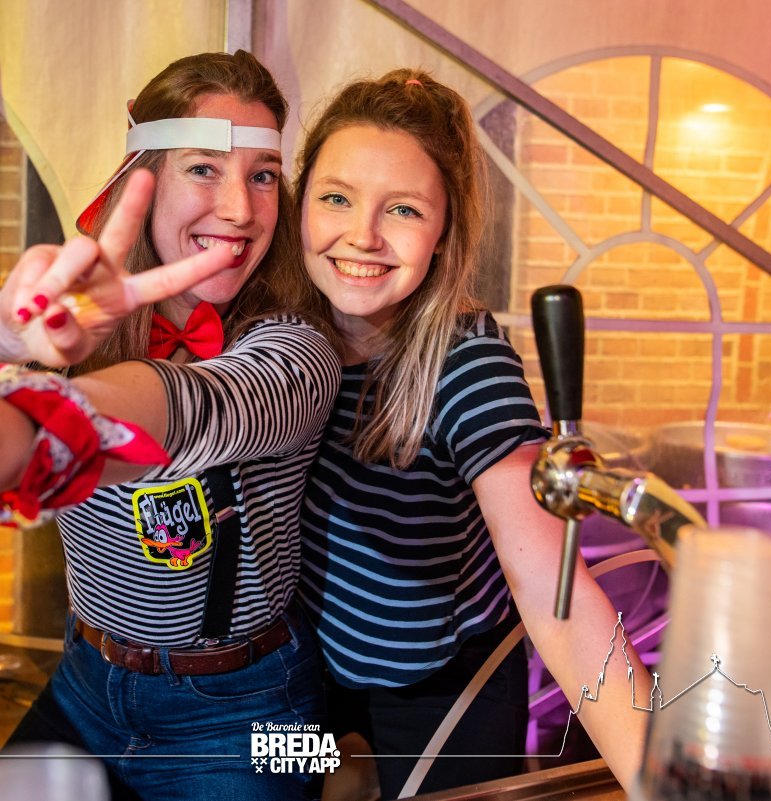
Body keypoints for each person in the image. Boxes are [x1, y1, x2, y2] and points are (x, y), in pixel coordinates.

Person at [0, 50, 340, 801]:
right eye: (203, 169)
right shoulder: (76, 319)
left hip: (260, 707)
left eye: (262, 175)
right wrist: (5, 326)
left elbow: (188, 407)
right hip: (88, 682)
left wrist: (16, 434)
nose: (240, 210)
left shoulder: (300, 349)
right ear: (143, 179)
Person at [291, 70, 648, 797]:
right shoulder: (284, 336)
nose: (362, 235)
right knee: (296, 776)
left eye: (403, 209)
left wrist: (665, 779)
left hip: (444, 688)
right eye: (336, 197)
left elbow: (556, 596)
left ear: (444, 232)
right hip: (313, 669)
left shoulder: (467, 364)